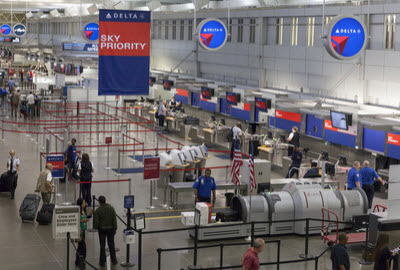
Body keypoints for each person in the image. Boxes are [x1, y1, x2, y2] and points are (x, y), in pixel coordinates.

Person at [93, 195, 118, 266]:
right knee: (111, 244)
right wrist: (115, 228)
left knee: (102, 245)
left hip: (102, 229)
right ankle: (114, 260)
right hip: (110, 229)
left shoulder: (98, 210)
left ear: (99, 201)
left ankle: (102, 261)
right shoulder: (111, 208)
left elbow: (96, 222)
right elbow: (114, 220)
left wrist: (96, 227)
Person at [75, 198, 94, 268]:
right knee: (83, 248)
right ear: (80, 204)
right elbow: (76, 220)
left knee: (80, 247)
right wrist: (83, 220)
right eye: (83, 203)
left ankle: (78, 261)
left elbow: (86, 218)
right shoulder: (77, 211)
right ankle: (81, 262)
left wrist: (90, 215)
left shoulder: (84, 210)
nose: (85, 204)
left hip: (83, 230)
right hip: (79, 231)